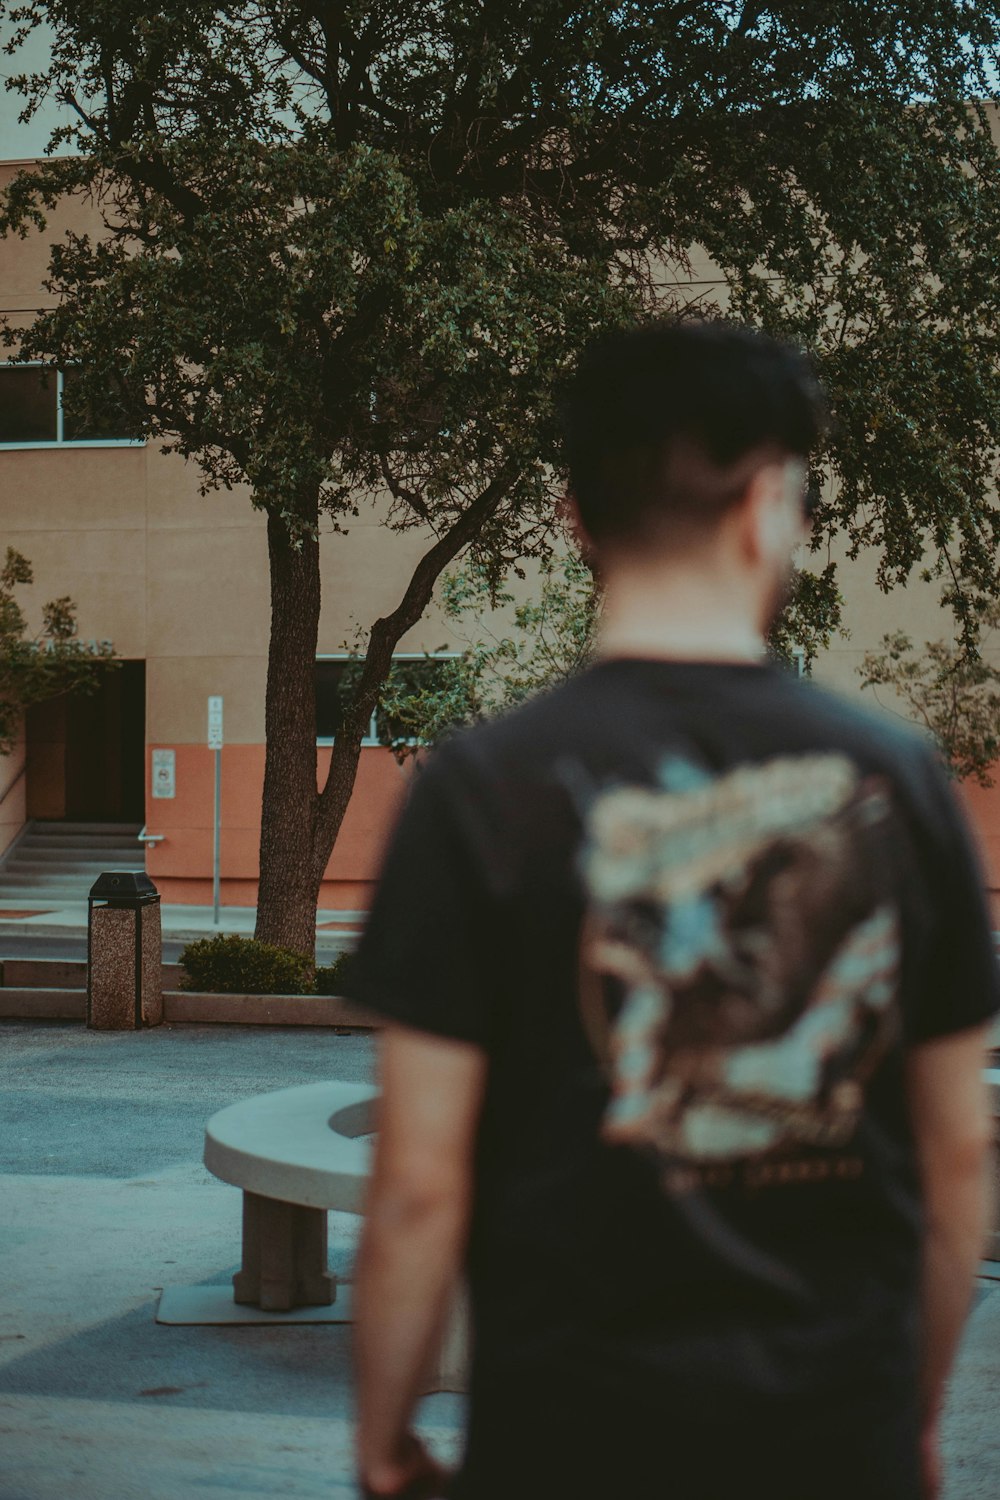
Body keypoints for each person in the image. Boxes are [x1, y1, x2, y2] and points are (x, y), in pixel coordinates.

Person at [347, 319, 998, 1500]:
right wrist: (903, 1421)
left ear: (573, 519)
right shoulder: (899, 782)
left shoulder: (479, 791)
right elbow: (959, 1155)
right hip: (832, 1439)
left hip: (562, 1445)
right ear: (768, 508)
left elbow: (418, 1184)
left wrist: (384, 1443)